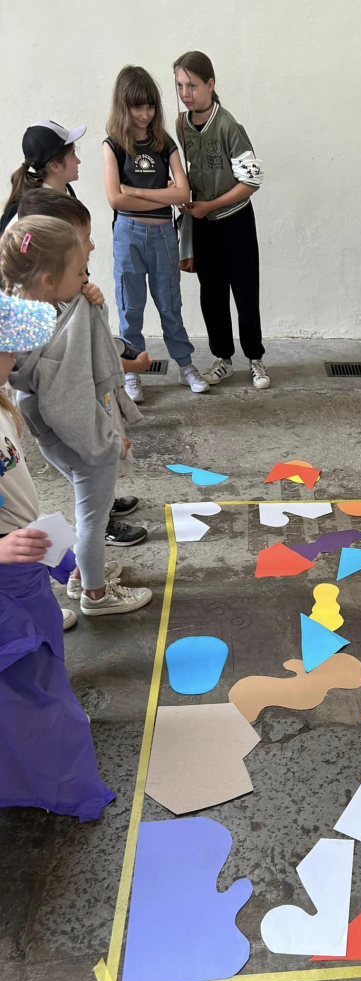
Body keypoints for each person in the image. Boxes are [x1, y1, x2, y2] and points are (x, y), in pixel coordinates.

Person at [0, 291, 115, 822]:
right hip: (6, 579)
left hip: (24, 567)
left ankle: (40, 743)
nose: (15, 357)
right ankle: (50, 769)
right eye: (7, 348)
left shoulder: (3, 405)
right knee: (27, 679)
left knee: (42, 661)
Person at [1, 216, 153, 616]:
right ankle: (96, 595)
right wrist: (109, 440)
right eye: (79, 271)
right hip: (83, 437)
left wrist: (88, 303)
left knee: (87, 507)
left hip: (52, 437)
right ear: (49, 279)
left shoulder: (24, 310)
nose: (86, 277)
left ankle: (81, 575)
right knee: (93, 518)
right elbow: (70, 407)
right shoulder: (55, 345)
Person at [17, 188, 149, 554]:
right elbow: (69, 396)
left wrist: (96, 304)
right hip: (73, 426)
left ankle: (101, 507)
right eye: (84, 239)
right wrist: (107, 441)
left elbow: (91, 347)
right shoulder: (40, 322)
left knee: (88, 483)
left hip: (69, 421)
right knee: (90, 495)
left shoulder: (56, 296)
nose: (91, 246)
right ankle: (95, 568)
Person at [103, 66, 207, 401]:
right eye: (137, 107)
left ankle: (186, 366)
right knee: (130, 308)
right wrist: (163, 195)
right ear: (123, 105)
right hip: (128, 234)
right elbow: (115, 199)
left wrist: (137, 191)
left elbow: (183, 193)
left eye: (150, 106)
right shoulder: (113, 145)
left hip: (163, 234)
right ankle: (131, 372)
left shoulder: (164, 143)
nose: (145, 114)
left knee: (170, 305)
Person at [173, 50, 269, 390]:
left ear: (210, 84)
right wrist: (181, 192)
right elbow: (191, 170)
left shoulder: (228, 125)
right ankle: (222, 359)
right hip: (202, 224)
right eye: (180, 85)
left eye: (192, 85)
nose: (185, 93)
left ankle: (255, 358)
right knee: (211, 294)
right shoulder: (181, 125)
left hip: (235, 220)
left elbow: (252, 181)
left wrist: (210, 204)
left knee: (245, 291)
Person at [1, 120, 85, 233]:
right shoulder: (29, 212)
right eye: (73, 153)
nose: (78, 161)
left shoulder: (66, 192)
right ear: (55, 166)